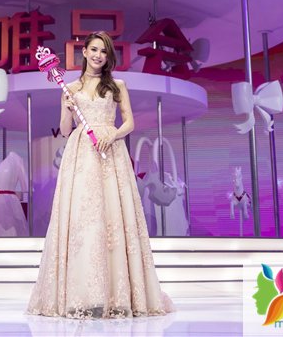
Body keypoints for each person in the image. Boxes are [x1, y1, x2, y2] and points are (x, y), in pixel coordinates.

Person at [27, 31, 174, 319]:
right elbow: (65, 130)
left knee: (113, 217)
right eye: (94, 49)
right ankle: (83, 293)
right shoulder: (69, 88)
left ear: (108, 57)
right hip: (81, 154)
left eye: (104, 51)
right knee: (83, 218)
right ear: (84, 52)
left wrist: (113, 135)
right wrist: (67, 109)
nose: (98, 55)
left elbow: (129, 122)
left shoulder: (117, 85)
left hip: (111, 151)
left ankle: (116, 294)